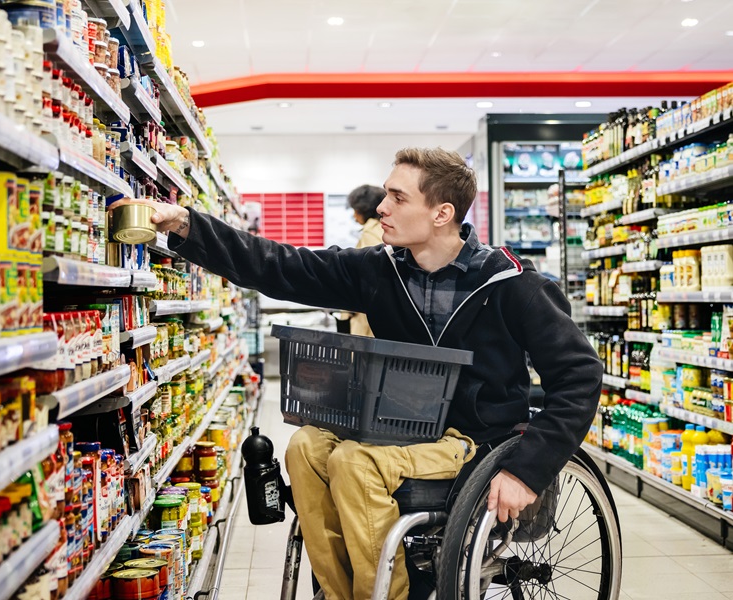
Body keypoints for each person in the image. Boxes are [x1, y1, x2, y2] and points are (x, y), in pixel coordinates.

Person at [145, 147, 602, 600]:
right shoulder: (379, 270)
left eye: (398, 198)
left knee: (352, 462)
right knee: (304, 448)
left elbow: (578, 375)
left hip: (474, 441)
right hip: (398, 428)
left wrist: (527, 470)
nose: (381, 207)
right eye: (385, 194)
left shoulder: (512, 285)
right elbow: (280, 265)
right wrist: (188, 224)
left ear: (442, 213)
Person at [345, 184, 385, 337]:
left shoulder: (370, 233)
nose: (354, 216)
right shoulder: (382, 228)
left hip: (366, 313)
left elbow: (370, 271)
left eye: (355, 210)